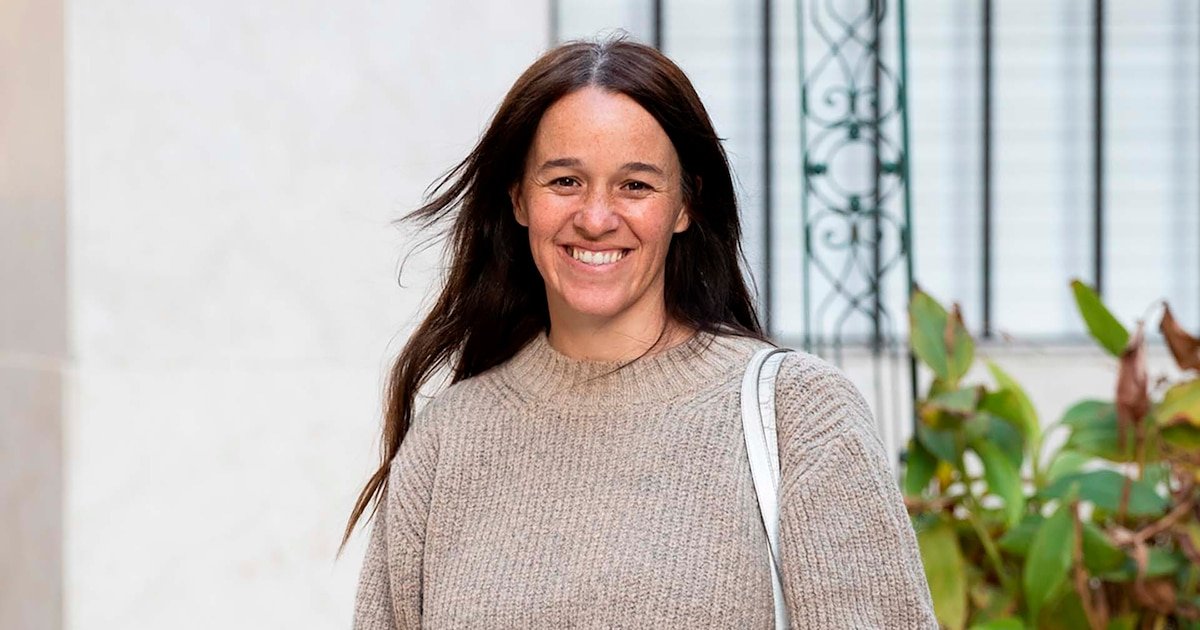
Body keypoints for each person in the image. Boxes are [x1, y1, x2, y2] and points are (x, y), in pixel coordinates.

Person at [345, 37, 936, 629]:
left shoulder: (800, 416)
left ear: (684, 206)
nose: (596, 218)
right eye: (565, 181)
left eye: (635, 185)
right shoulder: (447, 441)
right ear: (519, 199)